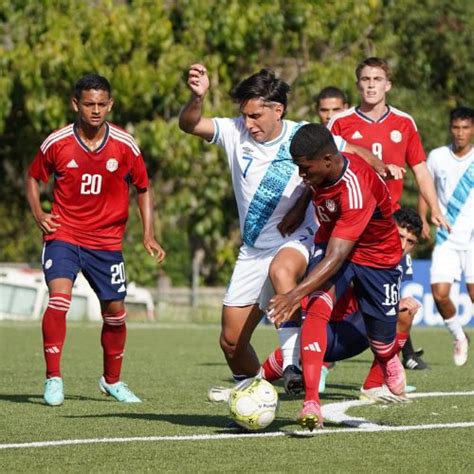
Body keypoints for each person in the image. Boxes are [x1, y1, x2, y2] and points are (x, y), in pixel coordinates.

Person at [26, 73, 165, 406]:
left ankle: (112, 381)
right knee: (59, 298)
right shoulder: (57, 142)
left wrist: (148, 233)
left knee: (116, 314)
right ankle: (53, 378)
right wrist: (39, 214)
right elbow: (32, 179)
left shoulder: (125, 144)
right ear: (76, 104)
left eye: (102, 104)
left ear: (111, 105)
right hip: (65, 233)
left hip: (106, 242)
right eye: (89, 104)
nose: (96, 110)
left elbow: (143, 187)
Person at [179, 64, 319, 394]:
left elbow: (342, 157)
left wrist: (383, 166)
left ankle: (293, 366)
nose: (248, 123)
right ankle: (256, 393)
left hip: (296, 239)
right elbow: (189, 124)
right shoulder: (234, 132)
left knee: (282, 269)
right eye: (245, 115)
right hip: (253, 250)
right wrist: (197, 97)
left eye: (255, 115)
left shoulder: (303, 136)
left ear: (278, 110)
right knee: (231, 342)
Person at [267, 123, 405, 431]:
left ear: (328, 160)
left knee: (381, 341)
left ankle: (388, 357)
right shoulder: (321, 169)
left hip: (376, 258)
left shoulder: (355, 188)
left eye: (305, 168)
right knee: (316, 308)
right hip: (330, 243)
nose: (302, 175)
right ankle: (312, 401)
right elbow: (312, 188)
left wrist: (293, 294)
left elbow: (337, 258)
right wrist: (298, 207)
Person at [209, 208, 423, 405]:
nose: (403, 245)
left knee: (403, 312)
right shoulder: (359, 249)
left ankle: (374, 385)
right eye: (400, 236)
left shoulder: (402, 261)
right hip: (319, 326)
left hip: (352, 334)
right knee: (296, 348)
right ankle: (249, 386)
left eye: (410, 241)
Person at [328, 56, 450, 370]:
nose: (371, 85)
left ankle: (384, 372)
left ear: (388, 84)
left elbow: (421, 171)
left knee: (394, 303)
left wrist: (434, 209)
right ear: (358, 84)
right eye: (365, 79)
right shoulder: (340, 122)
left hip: (387, 230)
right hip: (348, 223)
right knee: (334, 296)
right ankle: (316, 359)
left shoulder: (404, 123)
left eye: (377, 80)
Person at [418, 106, 474, 366]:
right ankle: (459, 336)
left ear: (472, 129)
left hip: (472, 239)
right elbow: (424, 188)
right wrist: (423, 218)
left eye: (466, 128)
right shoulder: (438, 156)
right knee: (440, 294)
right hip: (446, 238)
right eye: (456, 127)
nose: (461, 133)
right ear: (450, 128)